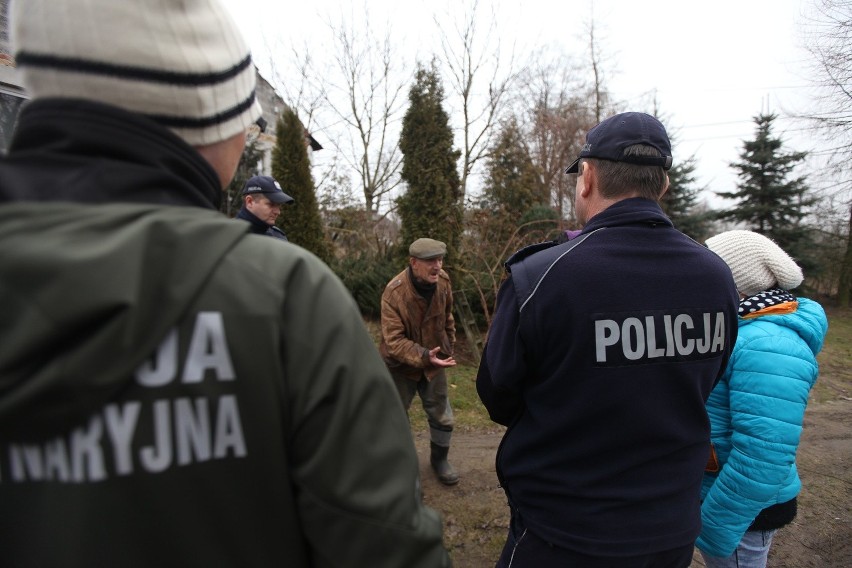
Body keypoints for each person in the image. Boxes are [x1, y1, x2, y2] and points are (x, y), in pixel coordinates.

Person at [0, 1, 449, 566]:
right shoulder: (287, 297)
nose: (245, 140)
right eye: (246, 124)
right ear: (207, 119)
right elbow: (387, 546)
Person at [476, 111, 740, 567]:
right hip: (670, 533)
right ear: (664, 185)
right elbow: (705, 378)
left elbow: (498, 396)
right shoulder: (717, 276)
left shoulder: (541, 277)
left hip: (562, 535)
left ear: (588, 178)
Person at [698, 230, 828, 568]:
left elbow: (763, 455)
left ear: (733, 280)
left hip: (741, 511)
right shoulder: (738, 327)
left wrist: (714, 526)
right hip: (721, 492)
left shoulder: (768, 344)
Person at [380, 238, 460, 486]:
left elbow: (447, 317)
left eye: (439, 259)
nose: (437, 266)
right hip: (399, 366)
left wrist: (448, 347)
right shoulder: (394, 293)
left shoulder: (443, 281)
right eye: (430, 261)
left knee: (442, 414)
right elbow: (393, 340)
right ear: (414, 263)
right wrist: (425, 356)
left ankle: (439, 461)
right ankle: (404, 470)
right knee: (395, 420)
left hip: (436, 362)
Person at [236, 175, 294, 241]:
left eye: (278, 205)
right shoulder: (227, 236)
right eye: (271, 204)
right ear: (250, 202)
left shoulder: (278, 237)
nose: (278, 212)